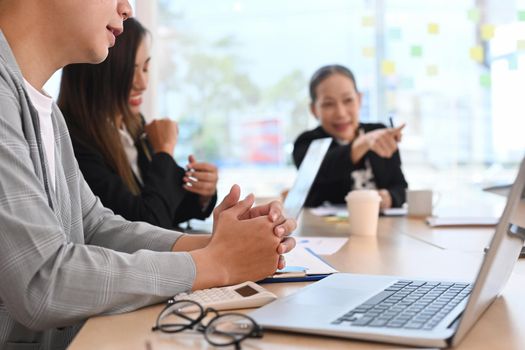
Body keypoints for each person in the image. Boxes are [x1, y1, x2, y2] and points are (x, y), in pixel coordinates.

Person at [0, 1, 295, 349]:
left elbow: (94, 227)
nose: (126, 8)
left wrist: (221, 245)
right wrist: (215, 264)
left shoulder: (45, 111)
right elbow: (42, 282)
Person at [58, 18, 217, 230]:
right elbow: (148, 225)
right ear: (97, 73)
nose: (142, 84)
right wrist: (164, 152)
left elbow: (167, 206)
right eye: (130, 70)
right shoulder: (74, 141)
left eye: (145, 68)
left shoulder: (133, 125)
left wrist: (203, 194)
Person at [293, 64, 408, 209]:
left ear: (359, 100)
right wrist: (363, 143)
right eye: (328, 104)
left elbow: (400, 187)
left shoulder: (379, 133)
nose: (340, 113)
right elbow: (324, 169)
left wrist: (388, 198)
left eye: (348, 100)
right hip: (325, 229)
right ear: (314, 109)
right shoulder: (306, 142)